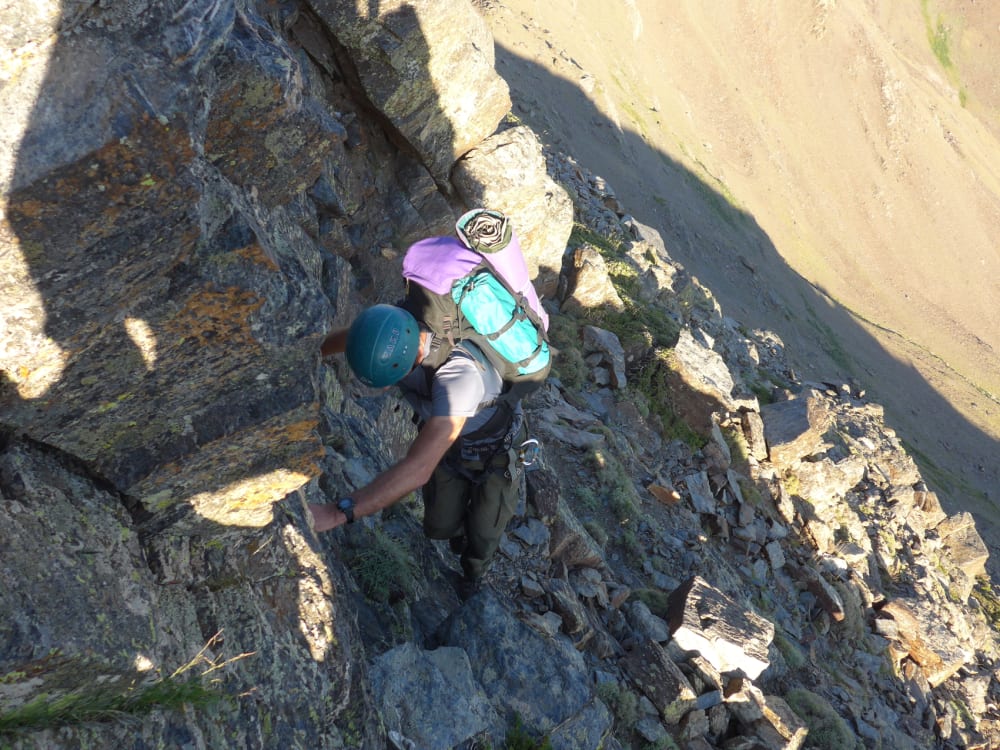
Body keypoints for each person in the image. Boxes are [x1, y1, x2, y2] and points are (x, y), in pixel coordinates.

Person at [308, 302, 526, 600]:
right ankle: (459, 535)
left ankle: (474, 573)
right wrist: (306, 355)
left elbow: (419, 469)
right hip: (447, 438)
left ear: (405, 364)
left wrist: (336, 513)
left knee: (485, 529)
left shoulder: (460, 379)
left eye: (389, 382)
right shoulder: (388, 328)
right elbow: (355, 338)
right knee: (439, 525)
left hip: (494, 450)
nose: (386, 389)